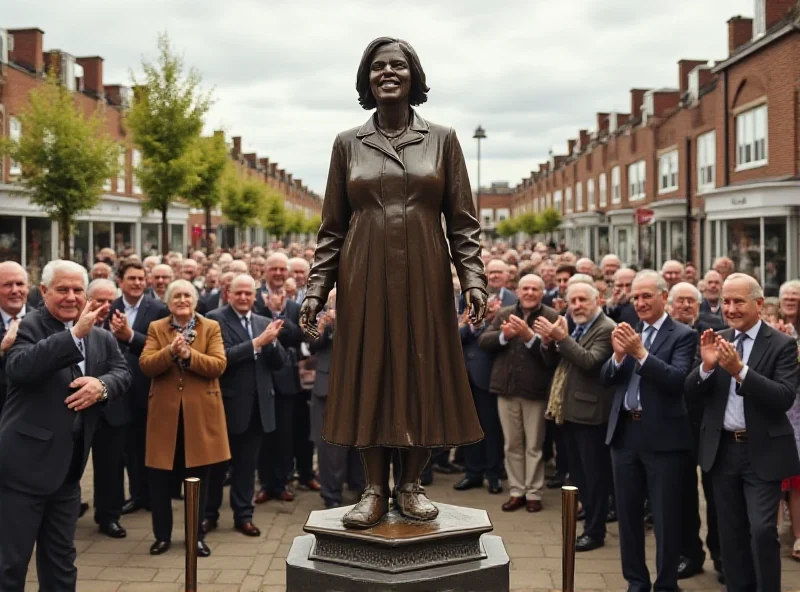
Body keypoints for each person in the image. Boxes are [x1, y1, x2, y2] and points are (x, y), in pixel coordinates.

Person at [298, 36, 487, 528]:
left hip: (425, 272)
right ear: (366, 78)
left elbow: (463, 222)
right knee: (371, 373)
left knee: (422, 371)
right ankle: (374, 489)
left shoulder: (443, 139)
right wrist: (317, 289)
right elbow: (332, 228)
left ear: (413, 76)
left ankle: (411, 485)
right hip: (363, 276)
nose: (387, 72)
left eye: (397, 65)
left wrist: (474, 281)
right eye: (377, 66)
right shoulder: (347, 143)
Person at [0, 260, 130, 590]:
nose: (71, 297)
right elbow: (19, 368)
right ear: (43, 292)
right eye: (62, 290)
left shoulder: (101, 337)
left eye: (77, 290)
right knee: (10, 565)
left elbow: (121, 372)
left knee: (61, 564)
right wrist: (74, 336)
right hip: (22, 471)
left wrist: (101, 387)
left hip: (69, 473)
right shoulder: (28, 325)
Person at [685, 273, 800, 592]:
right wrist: (707, 368)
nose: (730, 308)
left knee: (763, 530)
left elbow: (784, 396)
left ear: (760, 304)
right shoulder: (716, 338)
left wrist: (740, 371)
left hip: (762, 451)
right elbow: (691, 394)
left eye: (738, 301)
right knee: (729, 531)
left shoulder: (781, 344)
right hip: (723, 452)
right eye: (726, 301)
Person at [602, 270, 697, 592]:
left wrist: (640, 353)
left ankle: (667, 584)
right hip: (625, 435)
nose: (639, 303)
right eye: (635, 298)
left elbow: (678, 380)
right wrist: (617, 356)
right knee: (628, 519)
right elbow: (607, 378)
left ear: (663, 296)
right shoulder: (631, 331)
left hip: (663, 440)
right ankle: (636, 582)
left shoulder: (682, 334)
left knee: (666, 518)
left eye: (646, 296)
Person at [139, 279, 230, 558]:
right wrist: (169, 352)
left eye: (187, 295)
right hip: (165, 418)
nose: (182, 300)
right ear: (167, 302)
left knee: (197, 481)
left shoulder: (209, 327)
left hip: (199, 417)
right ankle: (162, 537)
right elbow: (146, 365)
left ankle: (196, 538)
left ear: (195, 301)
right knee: (160, 482)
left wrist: (189, 355)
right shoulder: (157, 328)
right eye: (176, 296)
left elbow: (219, 364)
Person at [536, 281, 615, 552]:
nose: (578, 305)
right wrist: (548, 344)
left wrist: (561, 339)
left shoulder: (607, 328)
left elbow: (590, 362)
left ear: (598, 301)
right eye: (574, 301)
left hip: (591, 415)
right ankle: (590, 515)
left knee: (595, 477)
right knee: (579, 475)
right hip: (568, 412)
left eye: (583, 300)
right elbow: (554, 364)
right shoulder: (573, 325)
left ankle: (595, 531)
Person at [205, 275, 287, 536]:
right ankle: (209, 515)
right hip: (226, 407)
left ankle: (243, 516)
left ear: (255, 296)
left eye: (248, 294)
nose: (243, 298)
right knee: (216, 467)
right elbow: (220, 359)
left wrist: (271, 342)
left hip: (258, 408)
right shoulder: (215, 318)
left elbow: (280, 362)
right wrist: (256, 343)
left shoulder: (264, 322)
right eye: (238, 293)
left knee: (246, 467)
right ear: (228, 293)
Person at [479, 274, 557, 513]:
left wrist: (529, 338)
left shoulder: (551, 316)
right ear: (519, 291)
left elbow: (552, 357)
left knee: (534, 444)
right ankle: (516, 491)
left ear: (542, 293)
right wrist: (505, 335)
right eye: (526, 288)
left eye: (535, 289)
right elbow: (484, 340)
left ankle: (533, 492)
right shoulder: (505, 313)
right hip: (506, 388)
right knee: (512, 443)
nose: (530, 293)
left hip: (535, 391)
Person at [667, 282, 723, 581]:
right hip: (677, 426)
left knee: (718, 497)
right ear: (670, 304)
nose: (686, 305)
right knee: (684, 497)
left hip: (712, 425)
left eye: (691, 300)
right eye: (680, 300)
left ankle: (722, 555)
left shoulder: (714, 330)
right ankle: (690, 553)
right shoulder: (665, 334)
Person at [106, 262, 170, 518]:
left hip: (147, 385)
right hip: (118, 390)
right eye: (131, 278)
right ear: (120, 281)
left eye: (141, 278)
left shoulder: (157, 308)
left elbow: (162, 346)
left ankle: (150, 496)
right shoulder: (112, 307)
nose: (137, 283)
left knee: (147, 446)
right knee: (125, 448)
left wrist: (130, 335)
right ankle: (132, 495)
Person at [310, 289, 366, 508]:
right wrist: (324, 324)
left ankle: (361, 489)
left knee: (361, 443)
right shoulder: (323, 320)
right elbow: (310, 344)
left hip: (361, 389)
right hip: (329, 388)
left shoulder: (366, 319)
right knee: (330, 447)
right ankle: (331, 495)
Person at [0, 261, 30, 412]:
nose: (15, 290)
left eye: (20, 284)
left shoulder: (45, 320)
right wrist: (2, 349)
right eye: (7, 285)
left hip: (30, 412)